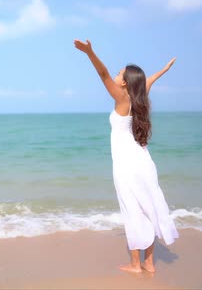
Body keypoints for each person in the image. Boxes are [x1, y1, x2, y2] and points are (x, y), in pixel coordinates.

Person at [74, 39, 179, 274]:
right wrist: (164, 69)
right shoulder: (139, 100)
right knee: (147, 209)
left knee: (132, 210)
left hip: (127, 166)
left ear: (124, 83)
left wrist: (90, 52)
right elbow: (148, 80)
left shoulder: (122, 99)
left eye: (119, 73)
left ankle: (135, 264)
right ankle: (149, 263)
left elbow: (102, 74)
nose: (115, 74)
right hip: (144, 161)